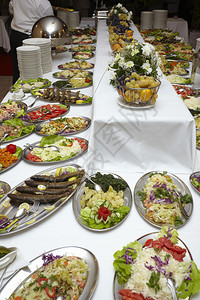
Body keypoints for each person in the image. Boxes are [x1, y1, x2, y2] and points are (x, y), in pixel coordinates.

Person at [9, 0, 53, 84]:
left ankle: (16, 91)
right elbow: (48, 21)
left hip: (15, 33)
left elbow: (11, 9)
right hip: (32, 38)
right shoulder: (43, 2)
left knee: (17, 69)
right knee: (34, 71)